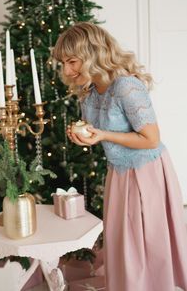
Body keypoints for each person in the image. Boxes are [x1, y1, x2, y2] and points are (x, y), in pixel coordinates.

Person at [53, 22, 187, 291]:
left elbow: (151, 139)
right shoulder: (89, 93)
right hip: (119, 173)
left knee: (148, 240)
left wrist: (102, 135)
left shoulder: (126, 86)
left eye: (72, 61)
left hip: (147, 172)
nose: (67, 70)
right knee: (122, 239)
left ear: (93, 53)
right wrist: (83, 136)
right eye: (63, 63)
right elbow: (99, 133)